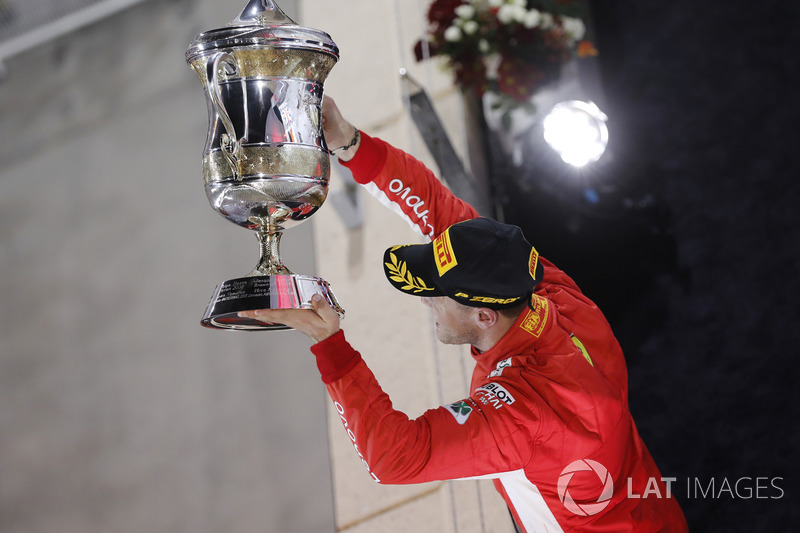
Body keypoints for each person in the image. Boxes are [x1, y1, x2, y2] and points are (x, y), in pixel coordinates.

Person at [240, 97, 688, 532]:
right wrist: (348, 141)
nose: (423, 300)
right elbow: (433, 203)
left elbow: (394, 458)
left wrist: (330, 346)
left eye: (435, 293)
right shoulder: (548, 293)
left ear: (485, 317)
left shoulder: (526, 417)